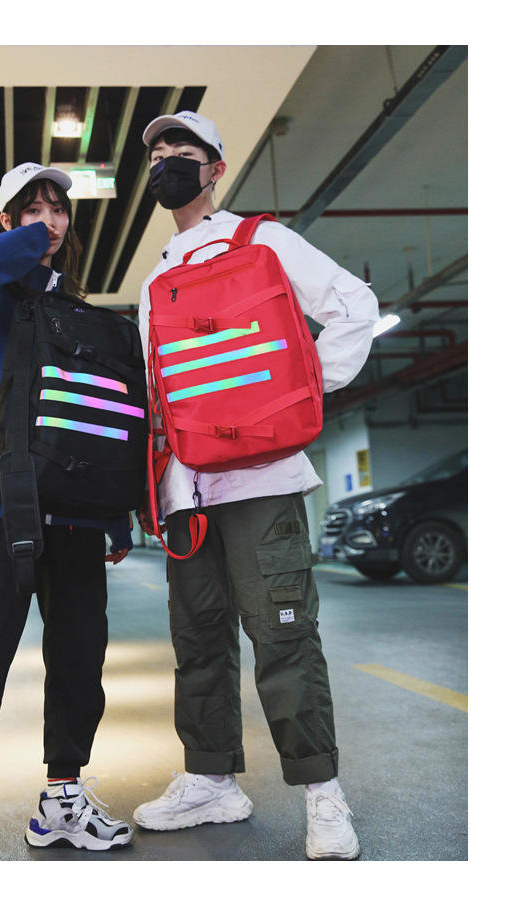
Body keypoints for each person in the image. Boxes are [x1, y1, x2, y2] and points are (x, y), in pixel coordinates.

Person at [133, 112, 379, 860]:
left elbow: (354, 307)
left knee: (283, 637)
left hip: (264, 481)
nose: (168, 162)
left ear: (216, 168)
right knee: (197, 640)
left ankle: (322, 793)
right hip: (186, 494)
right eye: (158, 153)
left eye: (183, 151)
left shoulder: (265, 242)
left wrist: (296, 395)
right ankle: (211, 779)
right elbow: (159, 396)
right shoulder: (155, 280)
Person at [0, 162, 135, 860]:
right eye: (33, 209)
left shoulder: (74, 309)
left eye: (59, 210)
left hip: (75, 509)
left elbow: (96, 418)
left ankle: (62, 799)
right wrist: (30, 244)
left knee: (79, 656)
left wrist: (114, 512)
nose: (50, 220)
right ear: (7, 221)